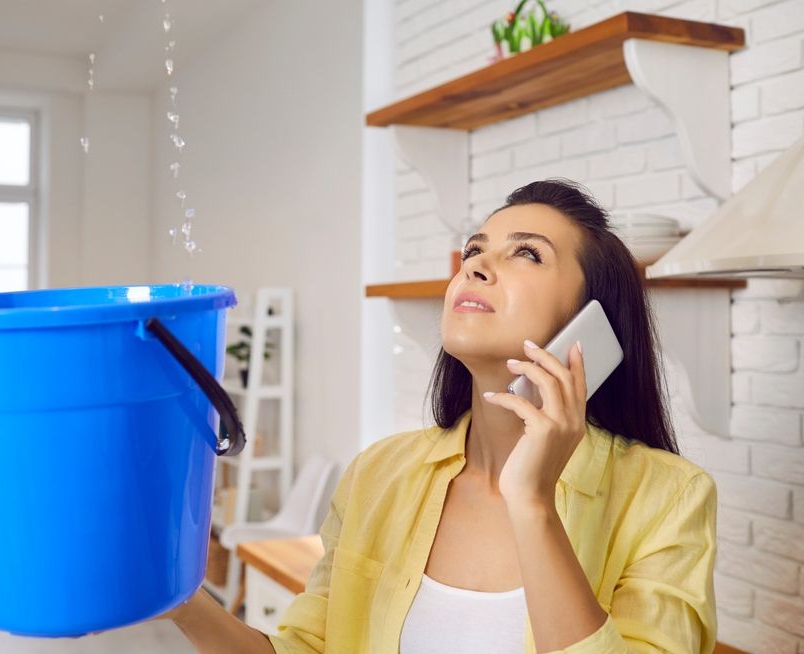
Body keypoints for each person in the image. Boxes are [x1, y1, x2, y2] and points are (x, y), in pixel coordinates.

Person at [159, 179, 717, 654]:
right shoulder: (378, 474)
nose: (476, 266)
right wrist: (180, 599)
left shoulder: (668, 497)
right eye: (474, 250)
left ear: (592, 324)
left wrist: (532, 503)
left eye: (527, 253)